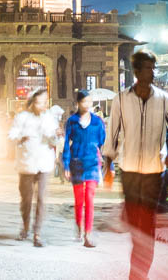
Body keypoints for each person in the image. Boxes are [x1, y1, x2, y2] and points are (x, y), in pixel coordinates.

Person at [103, 51, 168, 280]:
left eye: (153, 68)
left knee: (146, 227)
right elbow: (113, 133)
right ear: (137, 71)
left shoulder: (163, 99)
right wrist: (108, 165)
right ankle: (138, 269)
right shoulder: (121, 99)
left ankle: (137, 275)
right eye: (148, 68)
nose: (153, 72)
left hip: (153, 174)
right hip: (129, 173)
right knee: (136, 227)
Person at [8, 88, 62, 246]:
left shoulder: (50, 118)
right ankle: (25, 227)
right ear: (32, 102)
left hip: (44, 163)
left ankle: (37, 233)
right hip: (26, 163)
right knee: (26, 199)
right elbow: (11, 135)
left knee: (41, 199)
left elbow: (55, 141)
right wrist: (21, 137)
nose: (43, 106)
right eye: (39, 102)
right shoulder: (22, 117)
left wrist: (57, 136)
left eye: (45, 102)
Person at [62, 88, 107, 248]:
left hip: (93, 164)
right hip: (76, 163)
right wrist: (66, 164)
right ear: (78, 103)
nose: (87, 104)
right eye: (83, 102)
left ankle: (88, 233)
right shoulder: (72, 121)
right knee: (79, 200)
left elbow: (103, 143)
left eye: (89, 101)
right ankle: (79, 228)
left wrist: (105, 162)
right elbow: (66, 144)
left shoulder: (97, 122)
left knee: (89, 199)